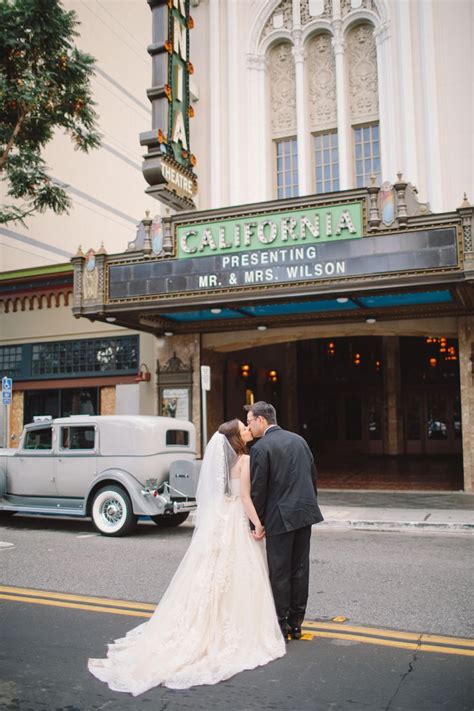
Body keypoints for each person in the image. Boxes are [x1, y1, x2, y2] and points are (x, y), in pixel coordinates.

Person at [88, 419, 285, 695]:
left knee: (212, 573)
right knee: (237, 574)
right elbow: (244, 497)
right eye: (242, 428)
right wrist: (258, 523)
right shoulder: (244, 460)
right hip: (235, 523)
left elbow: (218, 494)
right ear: (235, 439)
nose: (247, 430)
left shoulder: (221, 463)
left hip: (219, 523)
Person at [245, 401, 324, 642]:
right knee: (300, 569)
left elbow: (258, 489)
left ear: (261, 420)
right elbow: (312, 476)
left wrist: (255, 523)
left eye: (249, 421)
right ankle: (296, 624)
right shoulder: (299, 440)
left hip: (279, 517)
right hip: (304, 513)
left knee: (279, 572)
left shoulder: (261, 447)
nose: (249, 426)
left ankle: (279, 625)